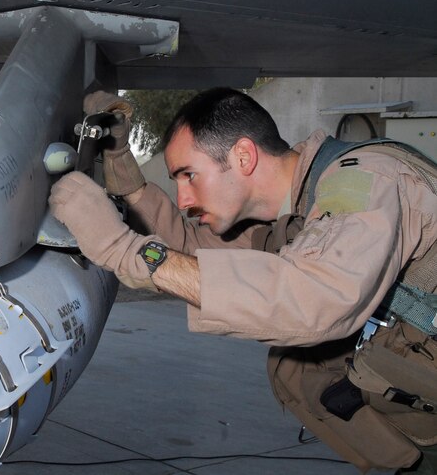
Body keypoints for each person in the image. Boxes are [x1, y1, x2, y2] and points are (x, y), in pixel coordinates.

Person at [48, 88, 437, 473]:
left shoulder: (366, 179)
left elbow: (312, 297)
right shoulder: (293, 215)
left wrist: (123, 249)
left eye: (189, 175)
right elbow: (187, 250)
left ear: (244, 156)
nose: (183, 200)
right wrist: (118, 158)